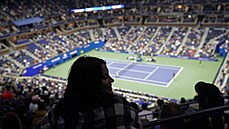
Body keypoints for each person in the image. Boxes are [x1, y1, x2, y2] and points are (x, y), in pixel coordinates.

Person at [59, 56, 141, 129]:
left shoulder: (57, 112)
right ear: (90, 82)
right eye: (105, 77)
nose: (111, 80)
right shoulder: (119, 106)